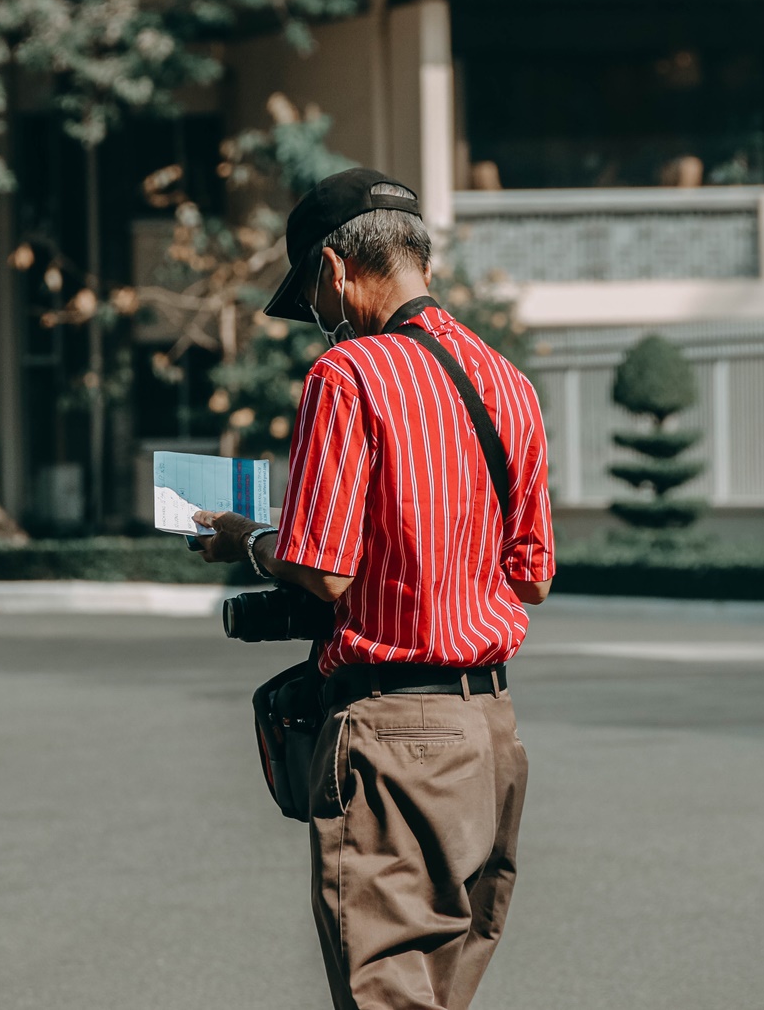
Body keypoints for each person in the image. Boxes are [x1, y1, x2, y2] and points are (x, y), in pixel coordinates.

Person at [192, 167, 554, 1010]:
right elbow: (532, 576)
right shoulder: (509, 382)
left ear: (333, 269)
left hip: (398, 741)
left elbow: (324, 566)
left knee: (389, 998)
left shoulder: (348, 376)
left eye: (313, 298)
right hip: (490, 737)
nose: (319, 319)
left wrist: (250, 541)